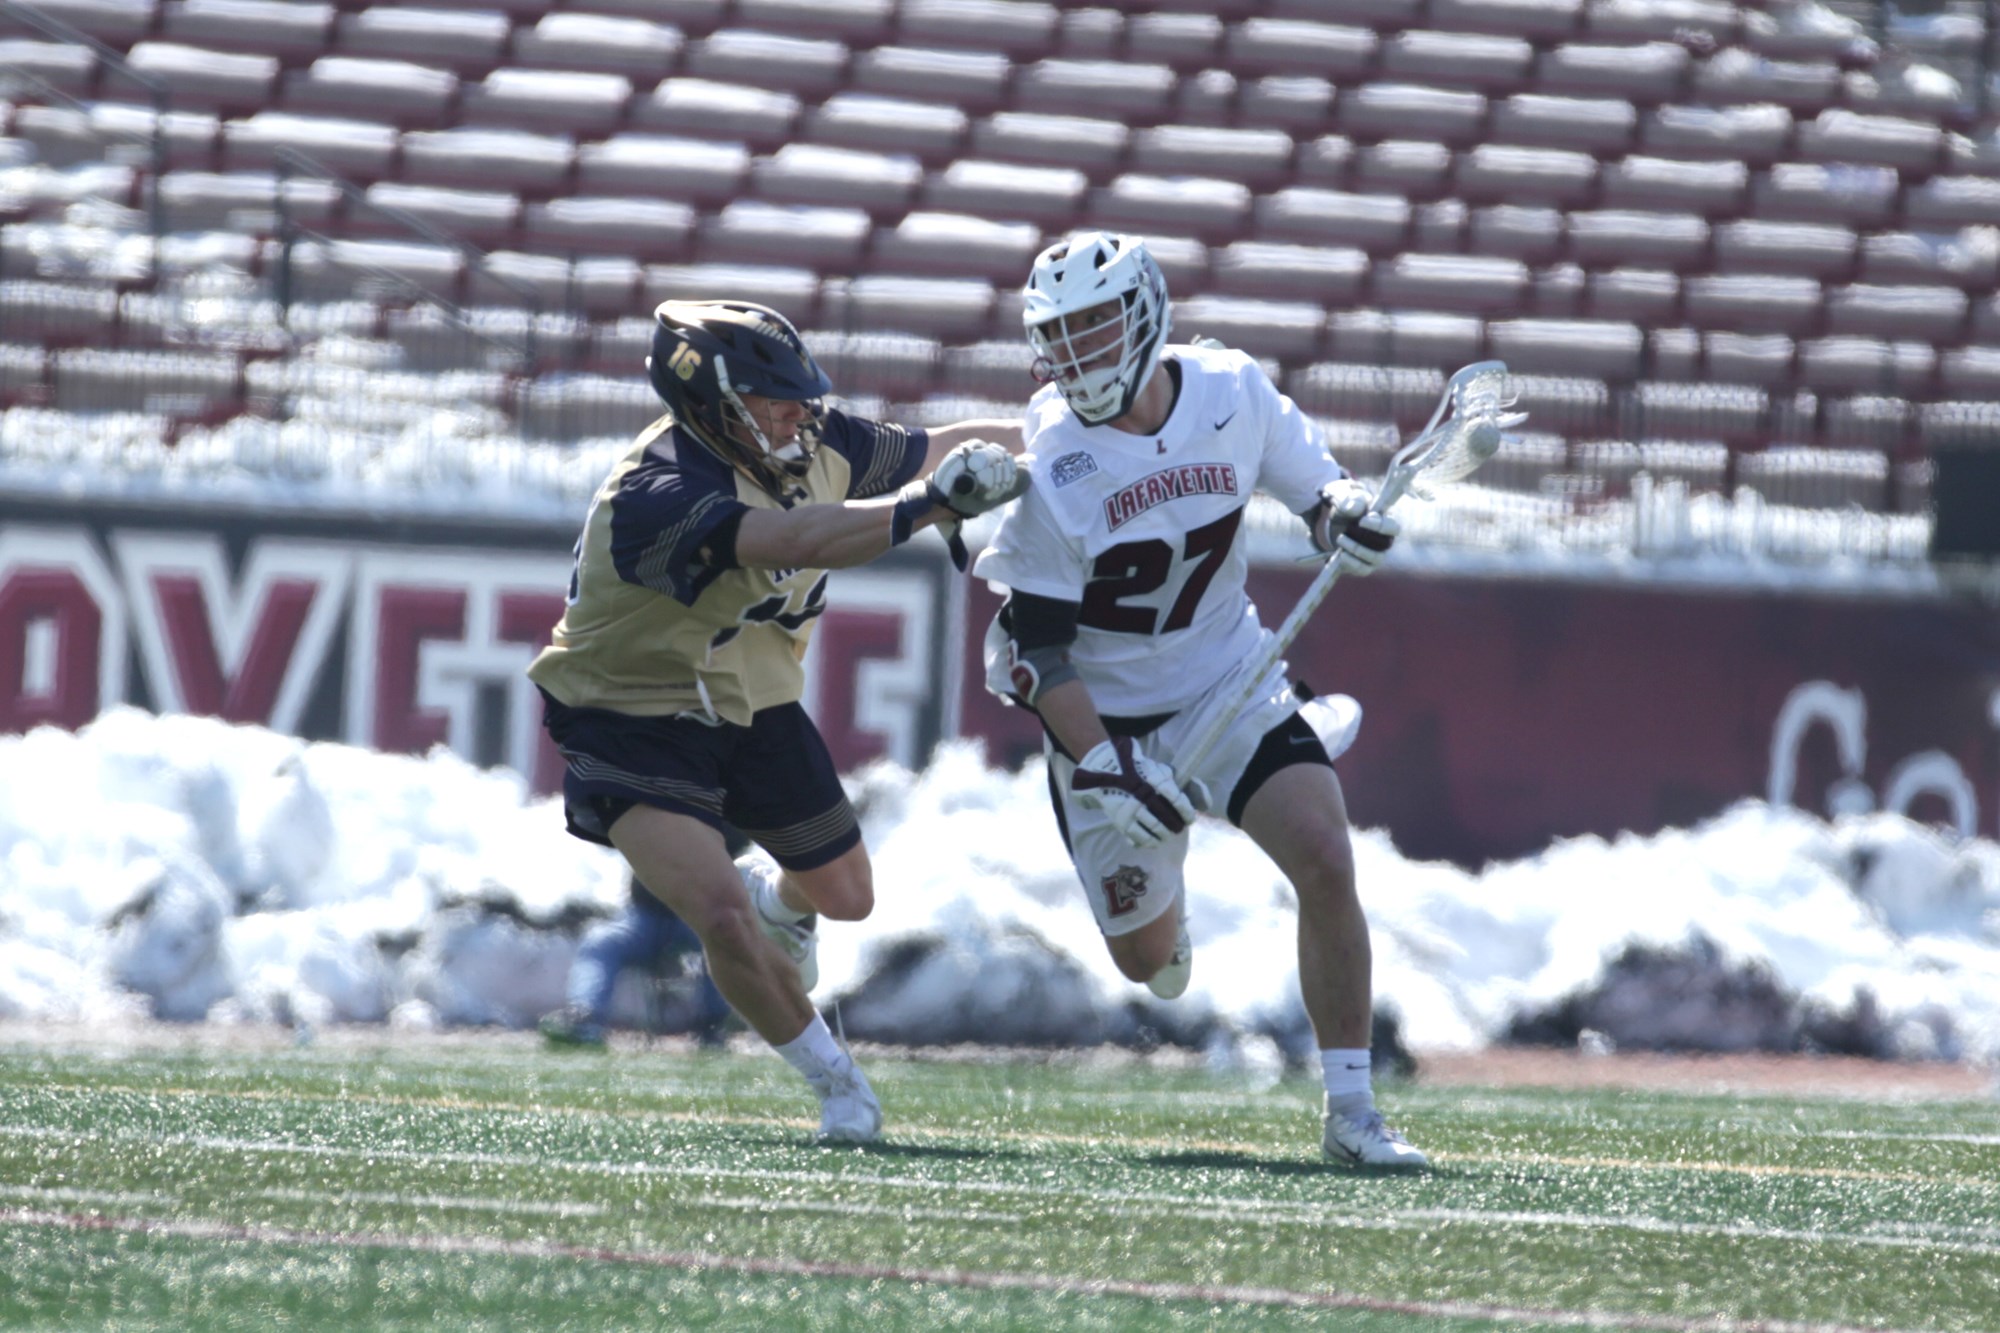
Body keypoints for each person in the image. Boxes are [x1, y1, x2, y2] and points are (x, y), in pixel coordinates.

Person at [973, 231, 1427, 1168]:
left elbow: (1321, 491)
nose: (1078, 353)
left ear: (1146, 313)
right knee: (1147, 965)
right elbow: (1037, 654)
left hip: (1229, 676)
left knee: (1325, 856)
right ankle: (1165, 902)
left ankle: (1352, 1113)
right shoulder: (1052, 463)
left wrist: (1344, 517)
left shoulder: (1229, 391)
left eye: (1096, 326)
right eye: (1060, 335)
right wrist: (1107, 764)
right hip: (1109, 717)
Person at [528, 298, 1025, 1144]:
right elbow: (801, 538)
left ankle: (778, 898)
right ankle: (837, 1083)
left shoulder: (815, 439)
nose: (798, 415)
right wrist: (926, 506)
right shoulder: (658, 490)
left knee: (847, 896)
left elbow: (941, 446)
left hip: (752, 705)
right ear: (712, 405)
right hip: (629, 713)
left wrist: (1065, 433)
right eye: (774, 400)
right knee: (720, 916)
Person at [540, 873, 732, 1050]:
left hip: (696, 915)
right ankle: (585, 1019)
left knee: (720, 941)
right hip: (643, 915)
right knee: (599, 944)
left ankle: (714, 1026)